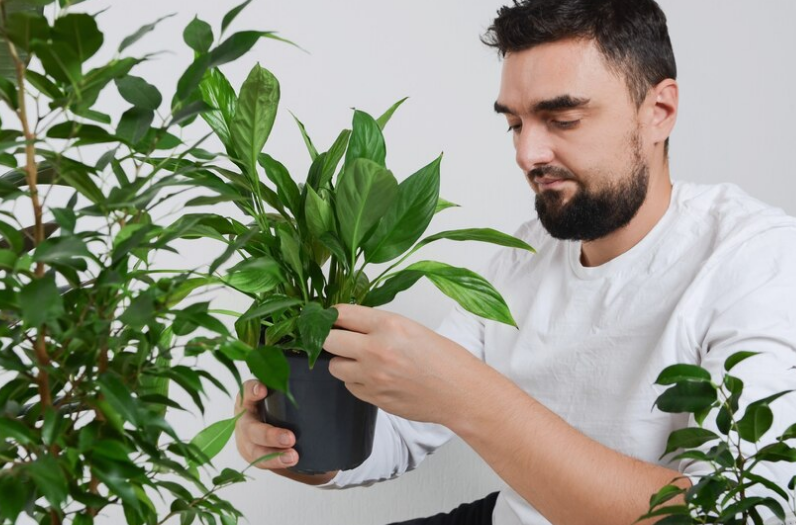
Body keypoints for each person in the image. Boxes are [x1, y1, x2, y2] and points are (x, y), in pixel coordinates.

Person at [234, 0, 796, 523]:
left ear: (659, 111)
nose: (528, 154)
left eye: (564, 119)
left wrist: (470, 397)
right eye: (515, 123)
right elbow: (399, 435)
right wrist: (295, 442)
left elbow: (735, 512)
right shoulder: (524, 257)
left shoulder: (754, 260)